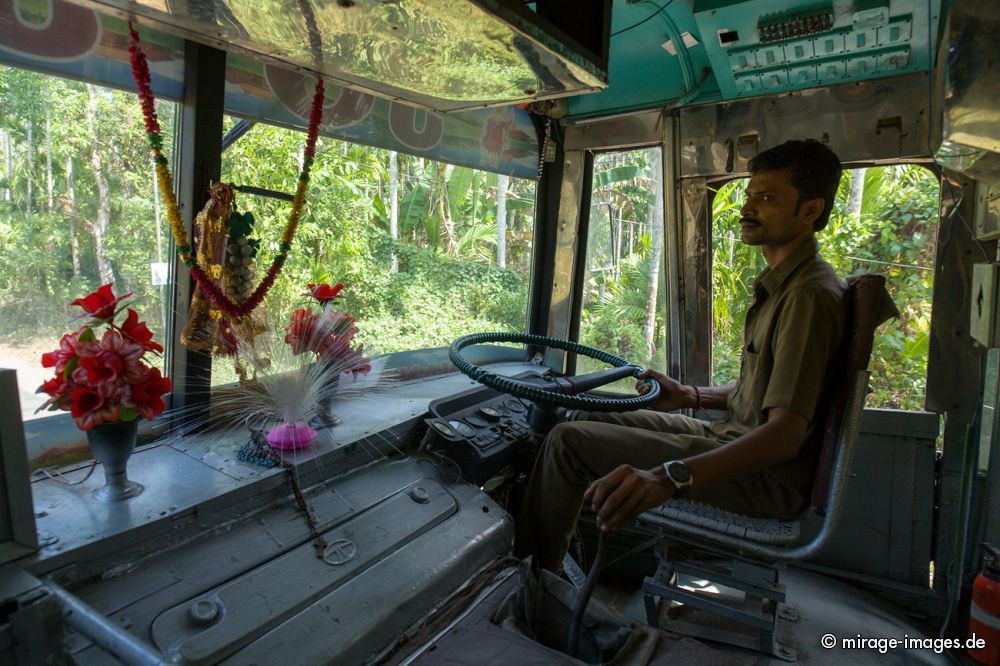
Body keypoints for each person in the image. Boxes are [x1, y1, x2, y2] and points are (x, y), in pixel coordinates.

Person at [515, 139, 848, 573]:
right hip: (731, 438)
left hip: (768, 479)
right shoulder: (787, 283)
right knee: (581, 420)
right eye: (749, 195)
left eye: (767, 199)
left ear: (810, 210)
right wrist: (691, 395)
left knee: (567, 441)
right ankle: (559, 553)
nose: (747, 209)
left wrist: (669, 476)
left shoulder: (808, 296)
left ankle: (538, 578)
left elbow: (783, 437)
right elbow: (762, 390)